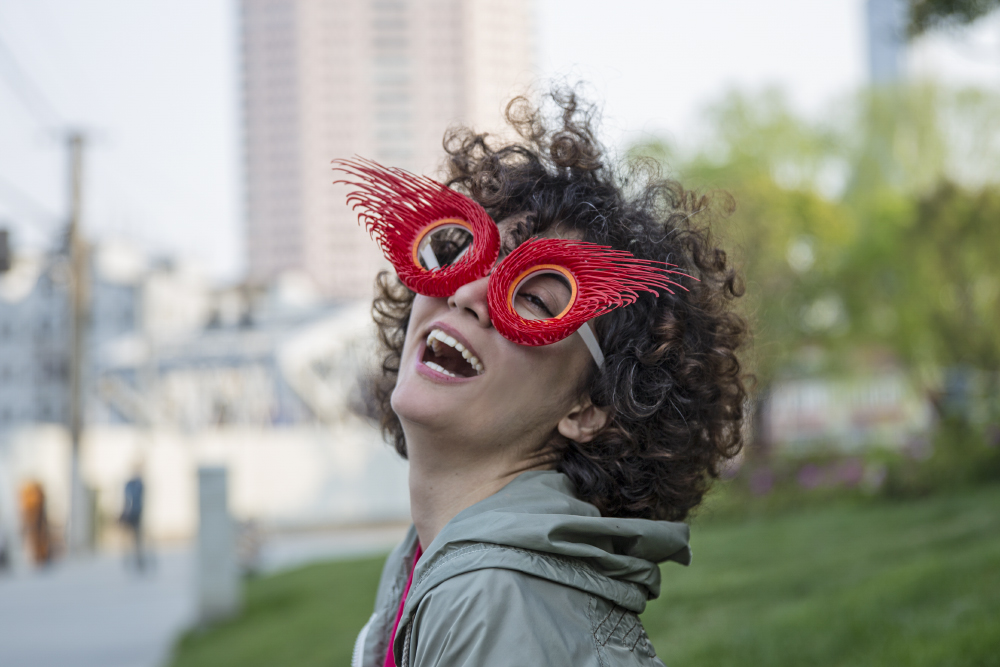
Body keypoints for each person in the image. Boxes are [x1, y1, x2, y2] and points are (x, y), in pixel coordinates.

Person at [338, 90, 748, 667]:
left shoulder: (493, 602)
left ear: (590, 407)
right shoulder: (435, 565)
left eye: (533, 298)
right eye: (466, 257)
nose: (468, 293)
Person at [120, 465, 145, 570]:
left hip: (136, 514)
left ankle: (137, 560)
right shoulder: (133, 484)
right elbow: (127, 499)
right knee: (131, 539)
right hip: (132, 514)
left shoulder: (137, 484)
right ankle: (131, 560)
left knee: (136, 539)